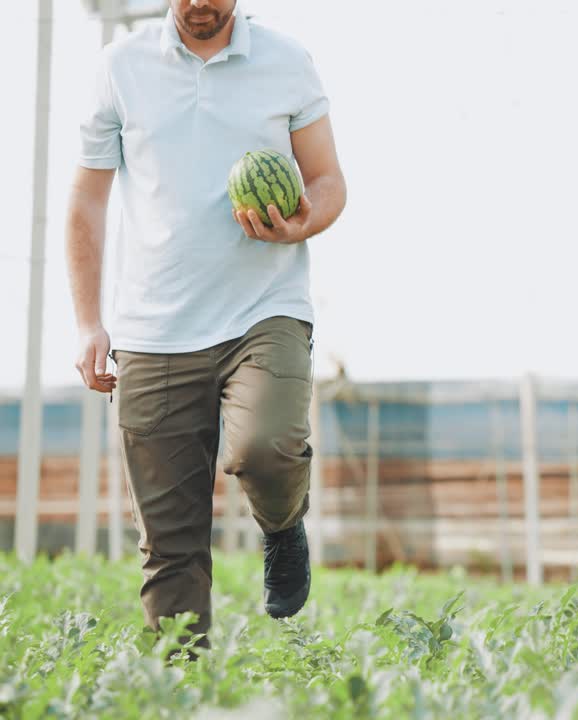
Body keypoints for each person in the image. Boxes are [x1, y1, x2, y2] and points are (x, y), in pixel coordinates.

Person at [66, 0, 346, 647]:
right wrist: (88, 322)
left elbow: (329, 179)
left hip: (263, 309)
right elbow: (86, 198)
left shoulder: (286, 62)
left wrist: (305, 220)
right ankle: (181, 696)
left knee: (265, 448)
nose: (199, 3)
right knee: (170, 548)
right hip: (152, 330)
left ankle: (282, 527)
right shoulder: (120, 67)